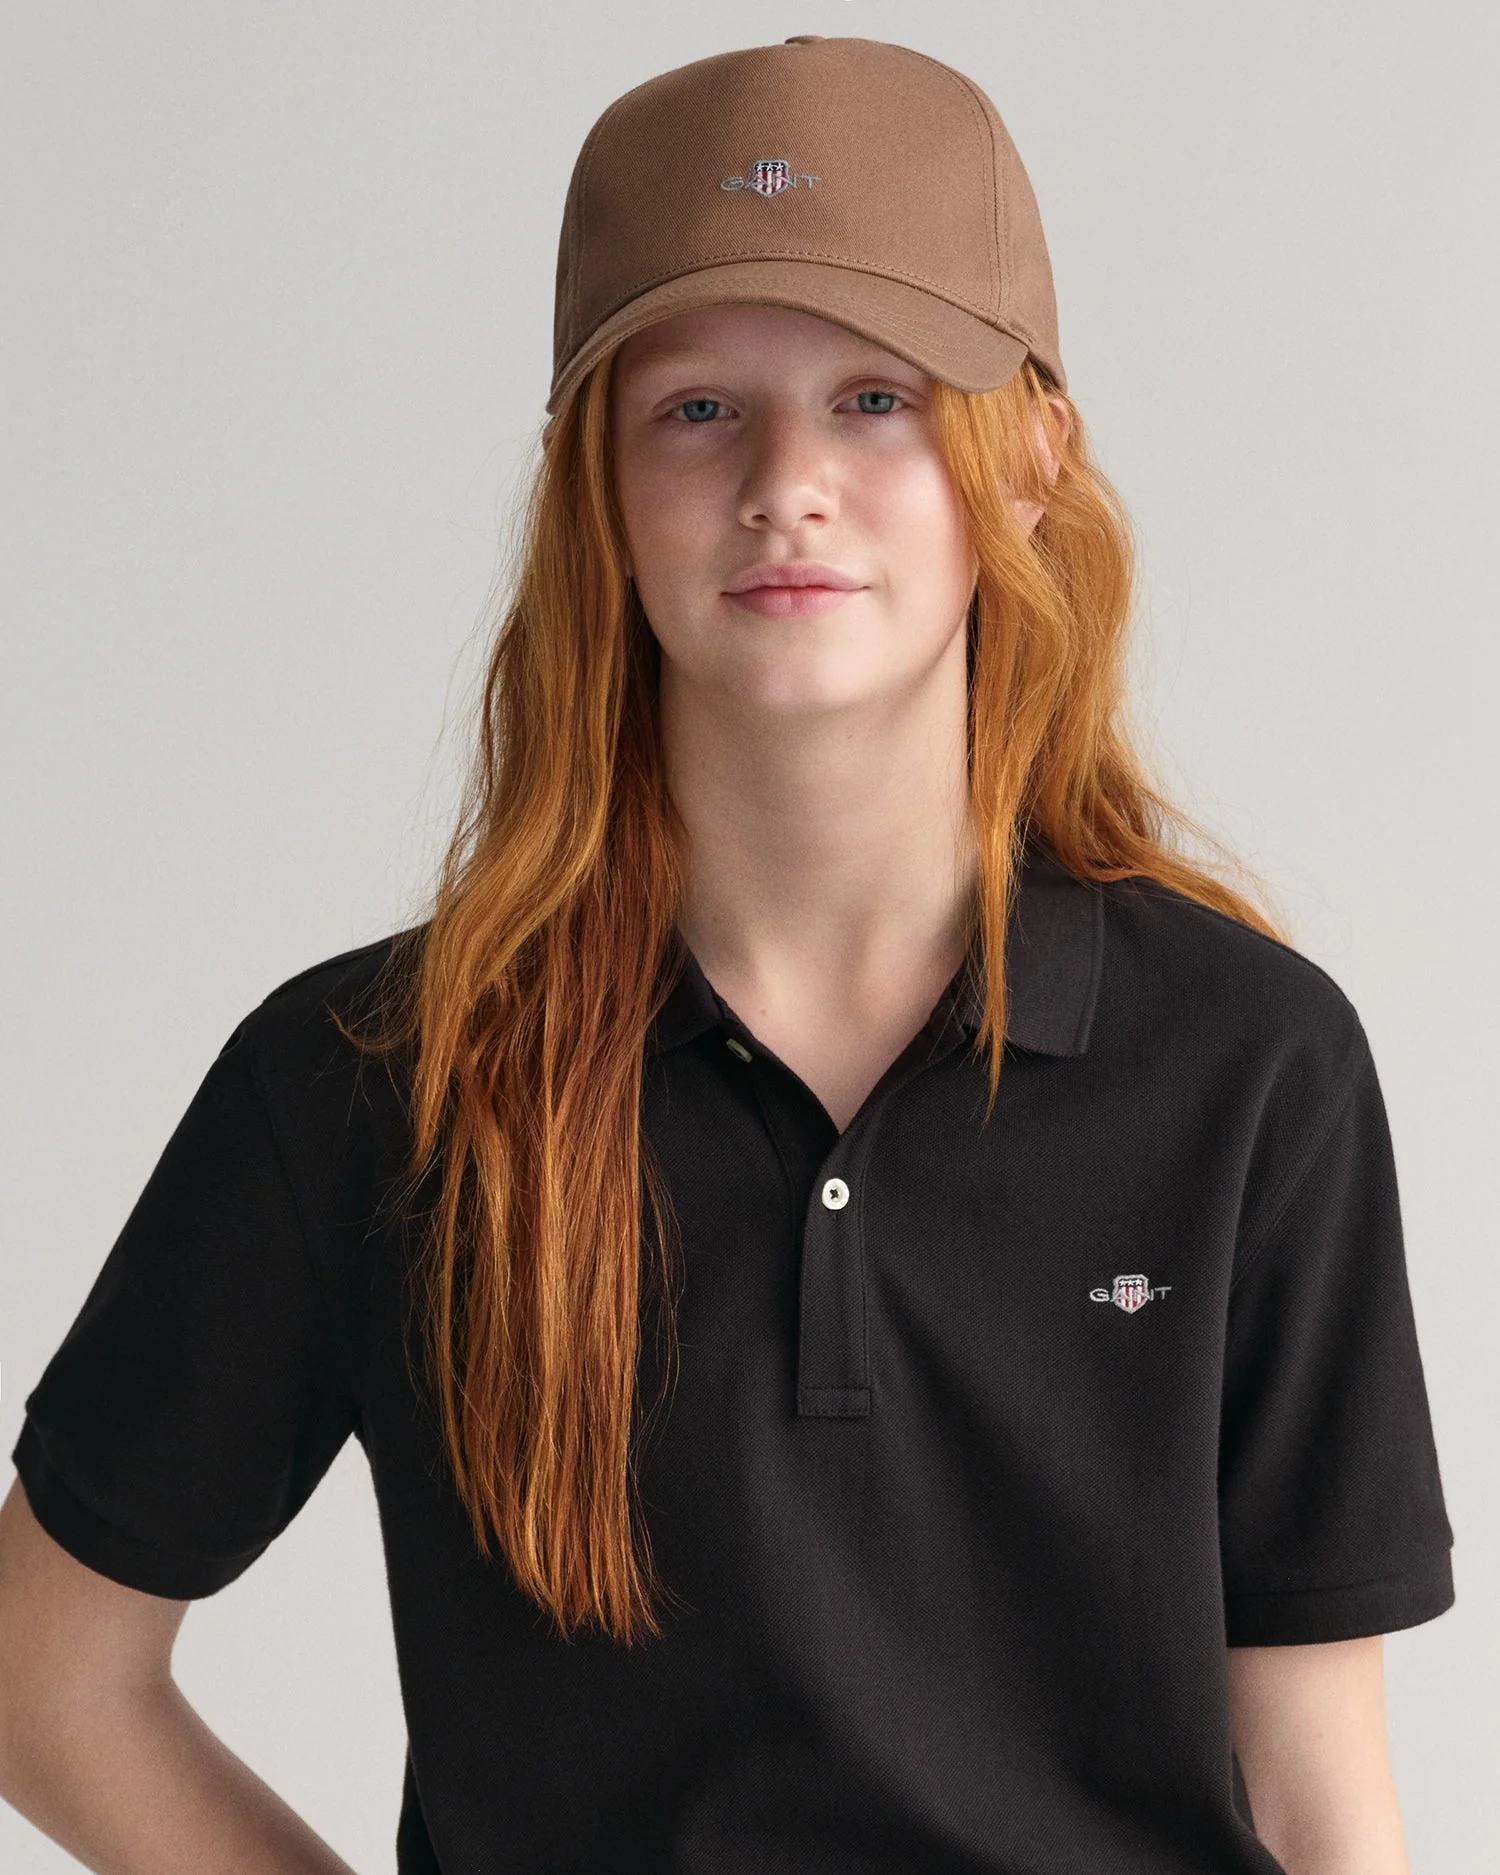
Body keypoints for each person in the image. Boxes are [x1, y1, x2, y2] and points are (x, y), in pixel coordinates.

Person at [0, 33, 1454, 1875]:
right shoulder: (371, 1080)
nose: (789, 482)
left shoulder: (1248, 1063)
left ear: (1032, 458)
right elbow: (43, 1674)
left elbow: (1322, 1801)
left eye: (877, 397)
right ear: (590, 482)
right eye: (697, 407)